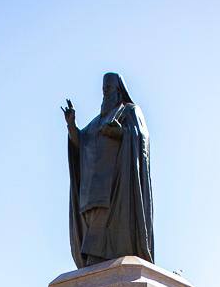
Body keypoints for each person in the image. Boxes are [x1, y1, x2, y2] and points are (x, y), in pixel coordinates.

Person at [63, 72, 154, 268]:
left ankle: (101, 264)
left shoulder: (128, 111)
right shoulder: (96, 122)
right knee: (94, 231)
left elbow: (141, 137)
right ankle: (96, 268)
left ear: (118, 90)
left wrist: (120, 132)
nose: (105, 93)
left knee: (106, 231)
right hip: (92, 191)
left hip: (117, 187)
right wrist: (71, 126)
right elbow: (82, 142)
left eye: (109, 88)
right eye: (103, 89)